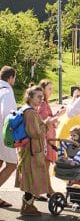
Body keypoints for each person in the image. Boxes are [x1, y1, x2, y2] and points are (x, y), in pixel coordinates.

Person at [15, 85, 53, 216]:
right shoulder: (30, 112)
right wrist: (46, 125)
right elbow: (35, 133)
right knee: (31, 178)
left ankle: (27, 206)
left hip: (28, 149)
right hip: (32, 151)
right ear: (29, 97)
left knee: (29, 178)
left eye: (42, 97)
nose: (41, 99)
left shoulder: (26, 110)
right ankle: (27, 207)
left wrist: (43, 123)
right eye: (38, 97)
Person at [37, 79, 65, 199]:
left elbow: (48, 120)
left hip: (48, 136)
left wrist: (55, 119)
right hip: (46, 138)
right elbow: (44, 121)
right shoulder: (43, 103)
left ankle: (40, 191)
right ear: (42, 89)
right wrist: (58, 115)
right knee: (46, 164)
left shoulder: (45, 103)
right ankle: (48, 190)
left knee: (45, 165)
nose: (51, 90)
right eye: (49, 88)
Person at [0, 66, 18, 208]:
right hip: (4, 134)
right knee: (12, 164)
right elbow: (8, 114)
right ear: (10, 78)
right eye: (14, 78)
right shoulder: (7, 91)